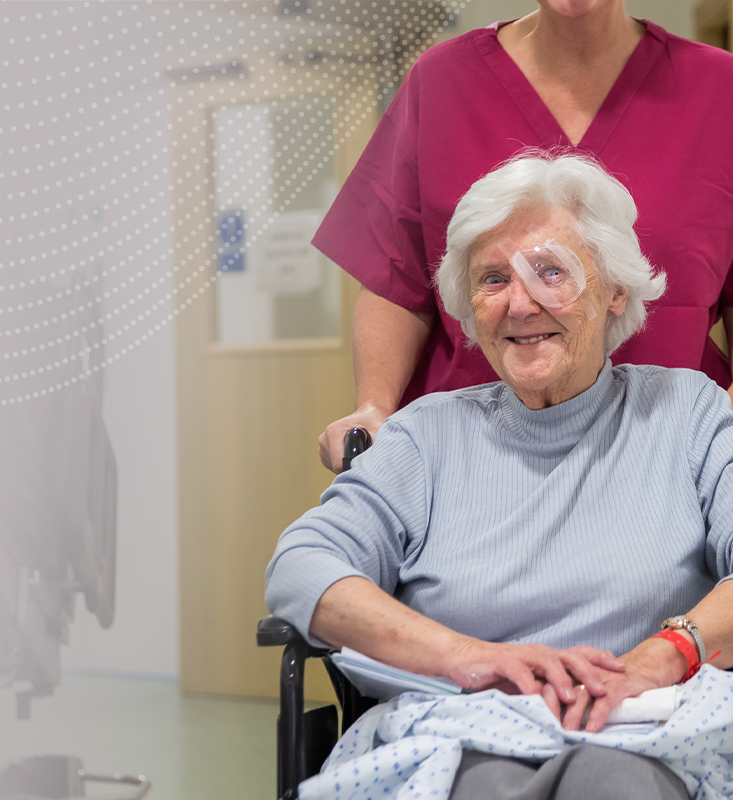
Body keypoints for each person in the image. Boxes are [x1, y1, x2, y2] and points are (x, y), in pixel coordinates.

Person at [266, 154, 733, 798]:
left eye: (551, 271)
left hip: (650, 727)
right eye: (492, 278)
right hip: (461, 729)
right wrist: (471, 658)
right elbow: (301, 567)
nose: (520, 304)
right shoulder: (424, 437)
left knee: (615, 785)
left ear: (614, 289)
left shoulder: (690, 413)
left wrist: (660, 658)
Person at [314, 0, 733, 473]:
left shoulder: (722, 90)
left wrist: (717, 449)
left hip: (669, 461)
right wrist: (374, 408)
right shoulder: (442, 82)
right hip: (471, 462)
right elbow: (397, 280)